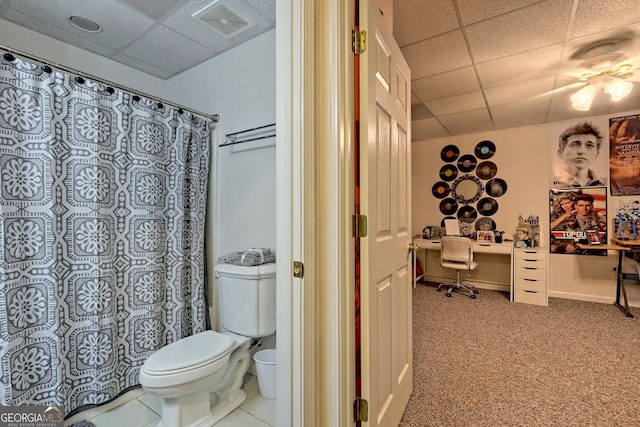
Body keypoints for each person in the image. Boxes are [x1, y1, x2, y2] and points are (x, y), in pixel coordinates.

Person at [551, 122, 606, 188]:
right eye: (574, 145)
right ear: (561, 153)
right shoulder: (551, 183)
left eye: (589, 145)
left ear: (597, 154)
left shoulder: (605, 184)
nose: (581, 151)